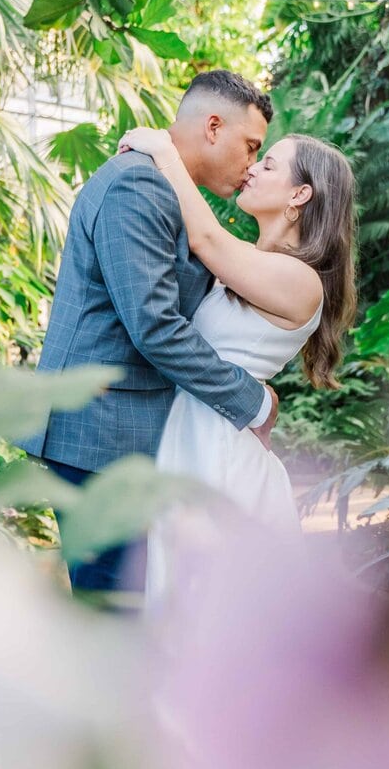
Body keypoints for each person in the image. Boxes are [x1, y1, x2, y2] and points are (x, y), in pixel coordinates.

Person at [18, 71, 278, 592]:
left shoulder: (164, 185)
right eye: (251, 146)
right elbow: (154, 325)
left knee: (141, 608)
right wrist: (252, 402)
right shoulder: (138, 184)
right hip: (100, 437)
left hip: (121, 436)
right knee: (118, 613)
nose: (251, 164)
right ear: (213, 127)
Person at [117, 125, 357, 603]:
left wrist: (164, 149)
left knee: (209, 603)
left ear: (299, 194)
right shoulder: (251, 261)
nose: (252, 169)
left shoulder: (302, 281)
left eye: (268, 164)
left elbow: (206, 238)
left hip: (222, 451)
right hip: (196, 433)